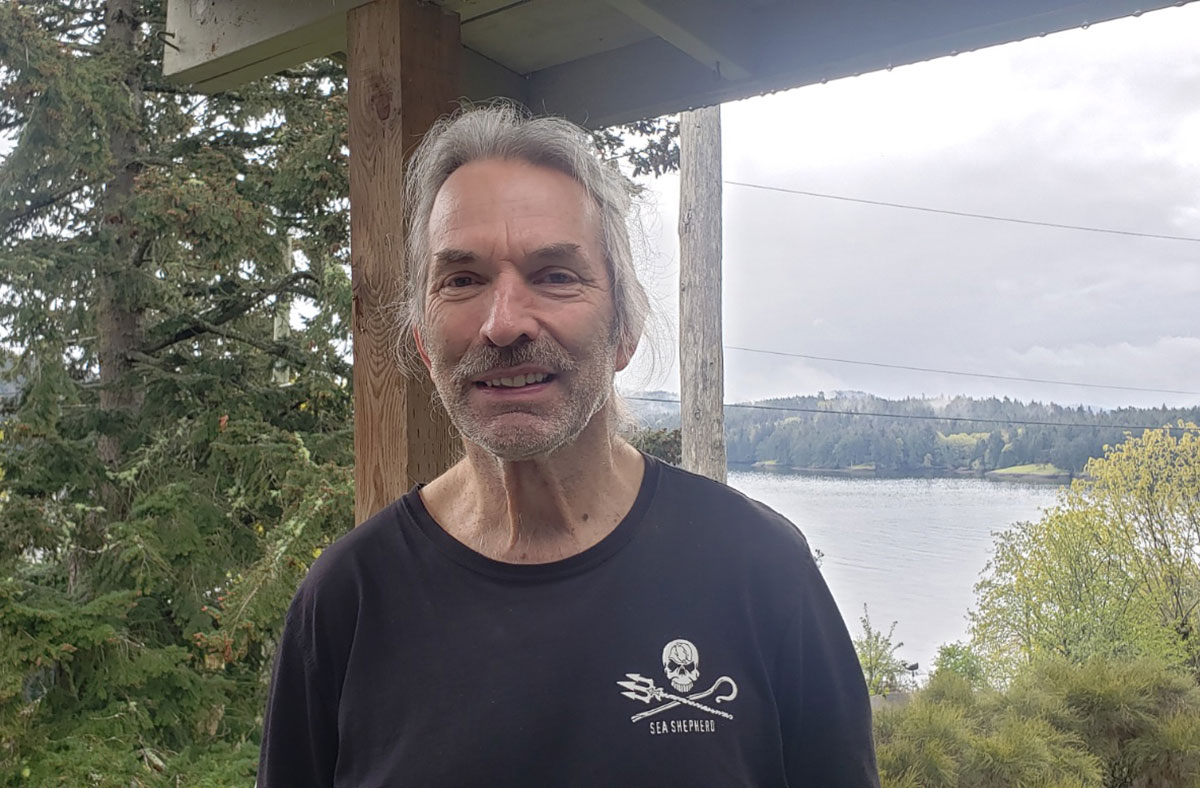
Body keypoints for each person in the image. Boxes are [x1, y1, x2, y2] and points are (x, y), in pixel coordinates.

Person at [257, 104, 879, 787]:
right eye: (462, 279)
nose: (503, 323)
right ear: (421, 341)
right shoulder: (349, 601)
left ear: (625, 329)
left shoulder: (758, 568)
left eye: (555, 274)